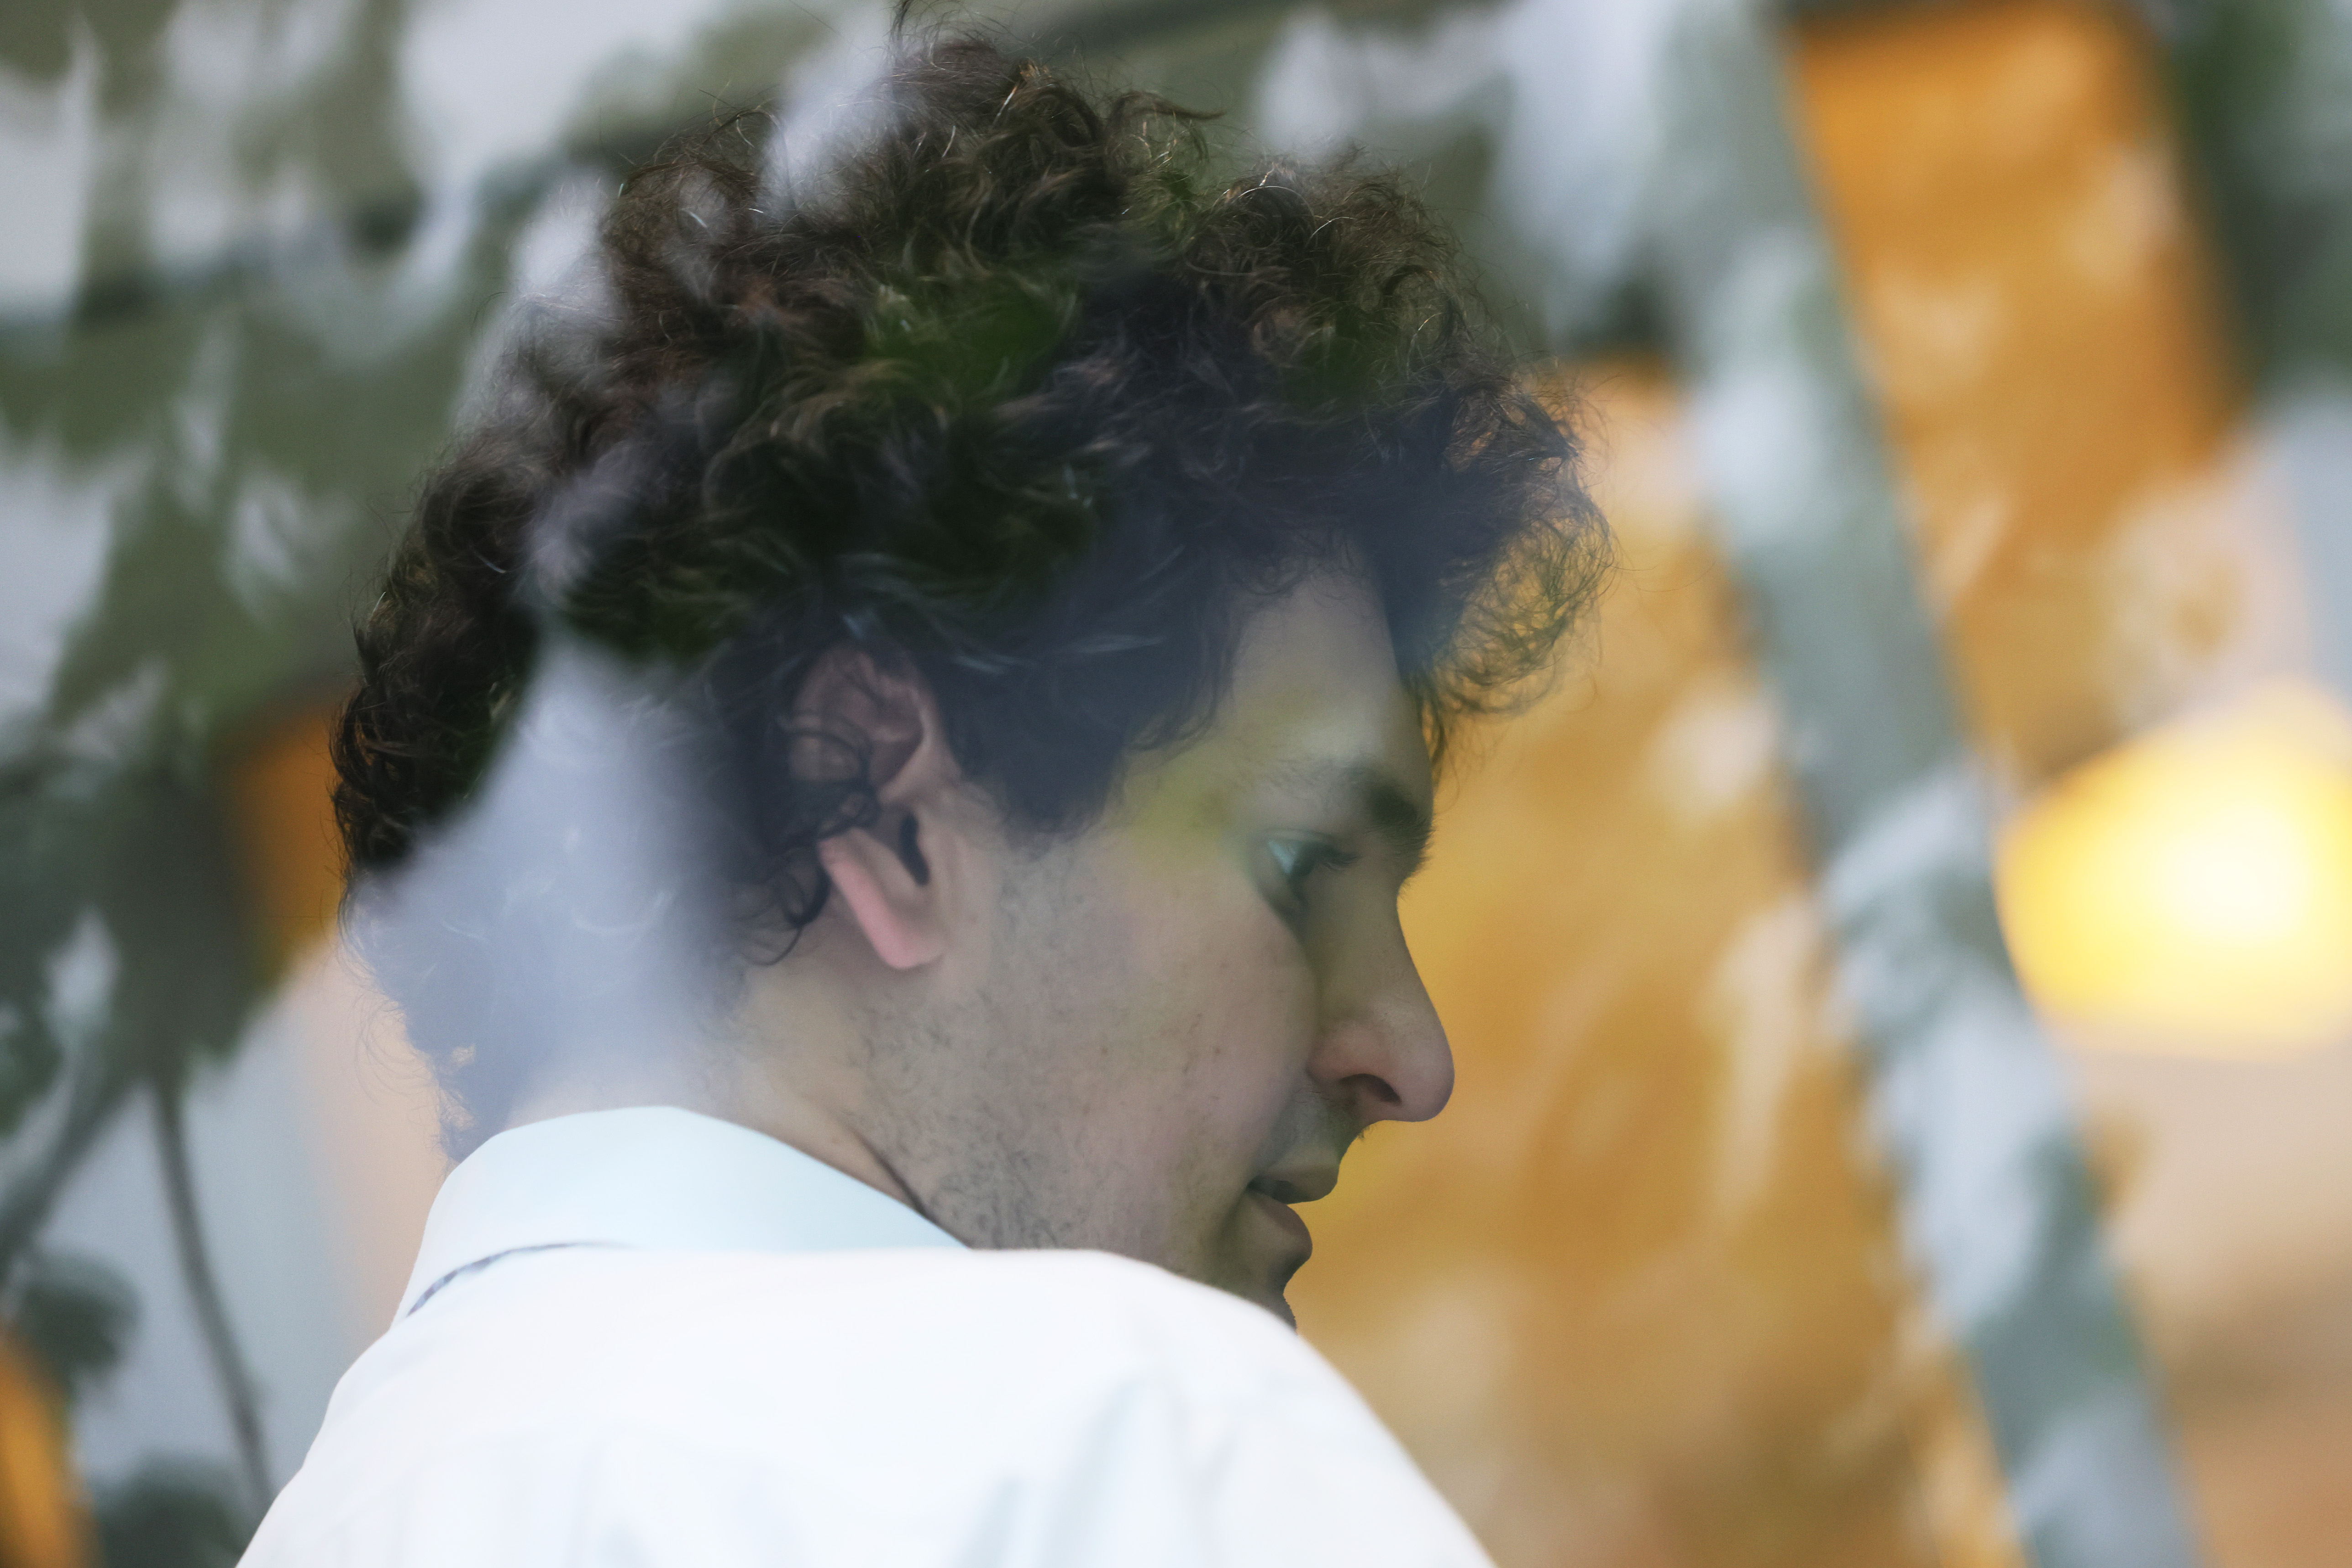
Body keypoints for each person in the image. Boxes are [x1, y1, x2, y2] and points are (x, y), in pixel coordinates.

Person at [243, 27, 1604, 1567]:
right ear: (881, 799)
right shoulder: (1125, 1450)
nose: (1407, 1055)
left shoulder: (350, 1521)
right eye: (1299, 863)